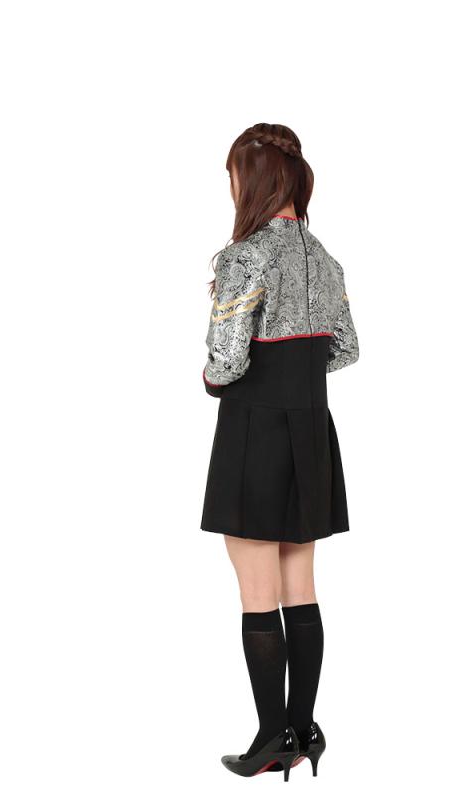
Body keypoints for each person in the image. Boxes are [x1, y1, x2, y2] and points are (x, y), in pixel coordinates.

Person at [200, 123, 359, 780]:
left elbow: (226, 362)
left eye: (233, 174)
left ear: (254, 179)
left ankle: (272, 737)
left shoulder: (244, 257)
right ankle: (304, 727)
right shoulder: (325, 257)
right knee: (301, 587)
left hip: (255, 433)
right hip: (311, 432)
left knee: (258, 592)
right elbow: (346, 350)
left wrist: (212, 375)